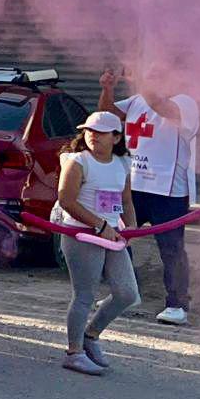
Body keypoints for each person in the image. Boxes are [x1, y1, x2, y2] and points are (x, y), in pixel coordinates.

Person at [99, 66, 198, 325]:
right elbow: (106, 116)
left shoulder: (185, 103)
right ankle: (125, 293)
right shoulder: (136, 100)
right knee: (117, 241)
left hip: (168, 191)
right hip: (132, 184)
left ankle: (177, 304)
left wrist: (141, 82)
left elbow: (162, 108)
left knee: (171, 249)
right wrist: (107, 89)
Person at [53, 110, 139, 375]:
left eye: (100, 132)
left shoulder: (123, 163)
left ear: (116, 137)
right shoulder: (78, 161)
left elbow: (125, 200)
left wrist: (131, 227)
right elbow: (67, 200)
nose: (93, 137)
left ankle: (91, 335)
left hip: (112, 234)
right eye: (89, 131)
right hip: (80, 234)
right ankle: (74, 351)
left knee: (127, 293)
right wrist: (99, 225)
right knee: (84, 295)